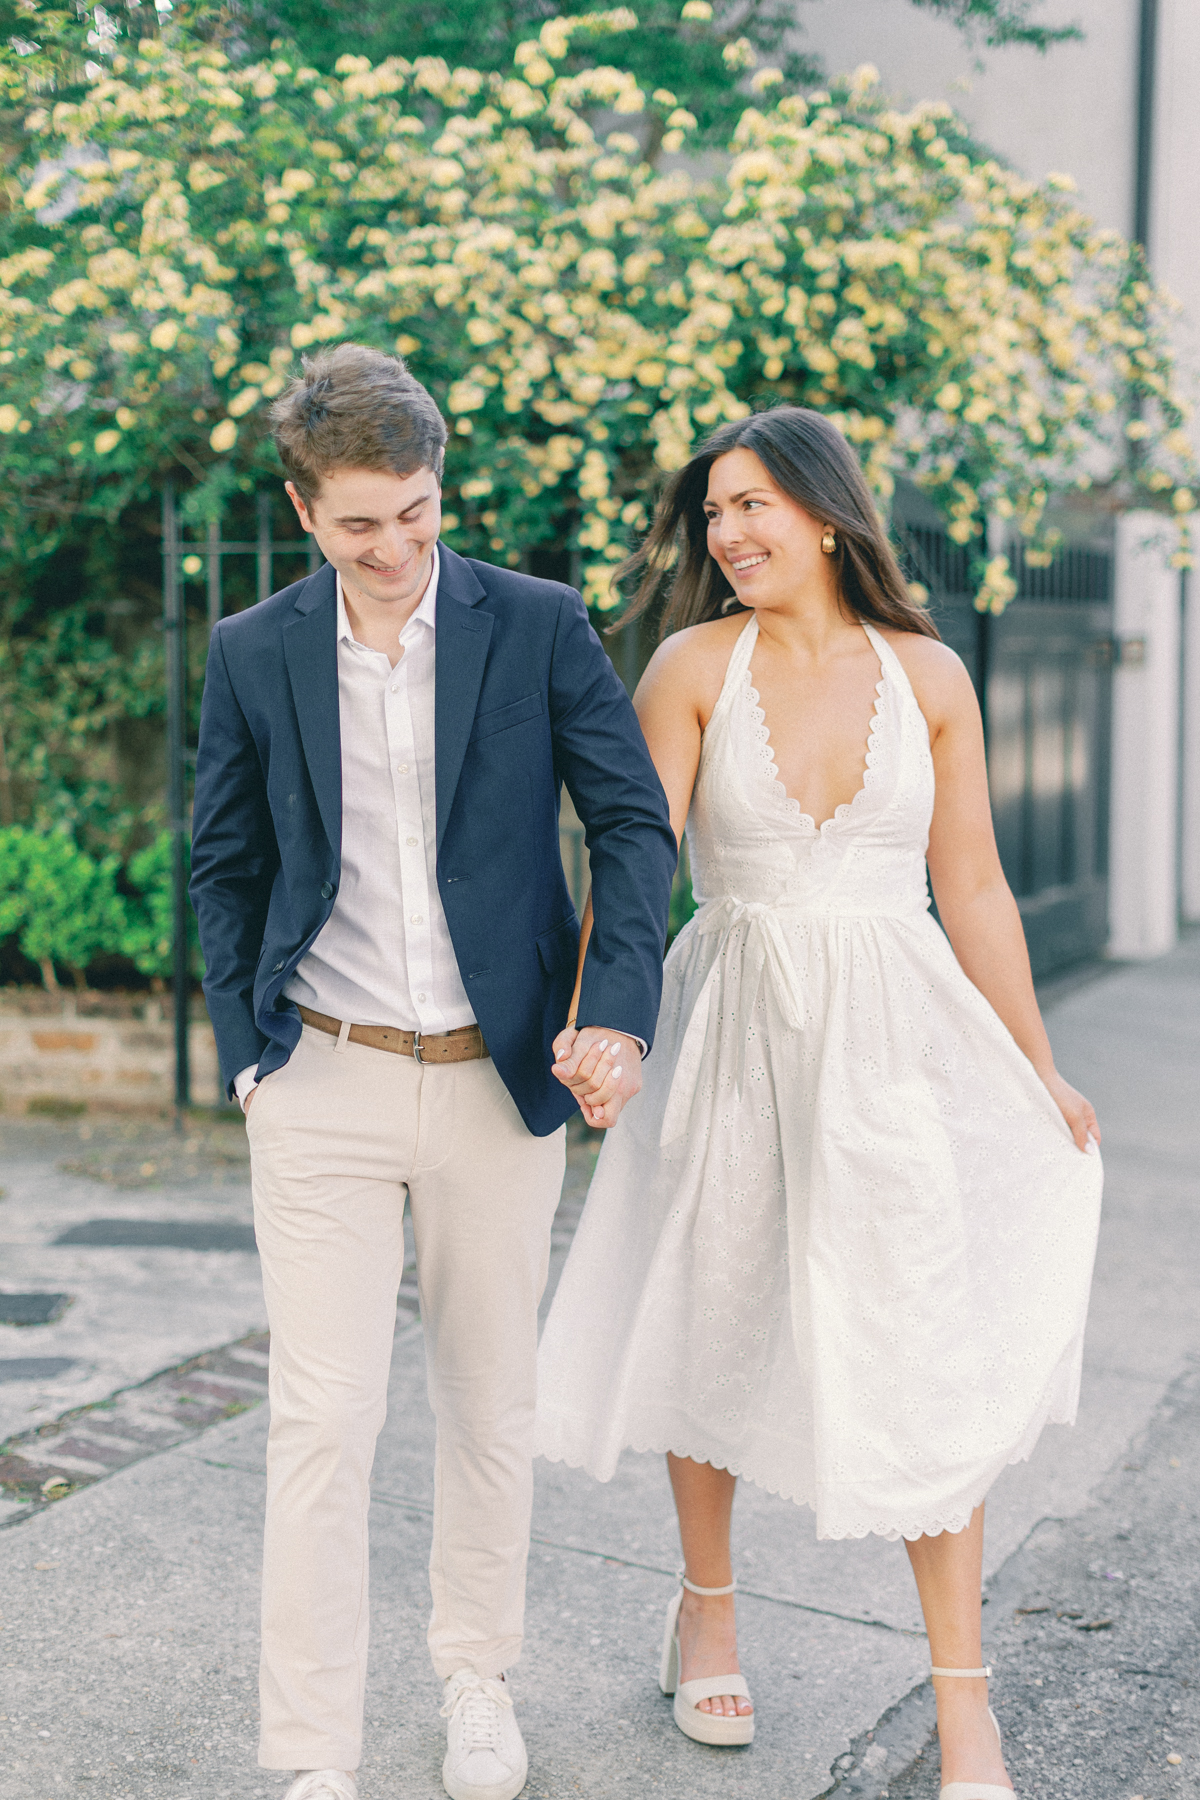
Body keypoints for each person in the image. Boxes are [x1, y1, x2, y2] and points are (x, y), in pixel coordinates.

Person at [536, 406, 1103, 1799]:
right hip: (731, 1017)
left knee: (923, 1338)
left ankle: (963, 1702)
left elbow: (969, 885)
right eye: (714, 512)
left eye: (753, 506)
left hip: (896, 1037)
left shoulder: (930, 674)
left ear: (831, 513)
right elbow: (637, 863)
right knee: (710, 1310)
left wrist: (1034, 1066)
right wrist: (607, 1026)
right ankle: (710, 1605)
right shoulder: (688, 666)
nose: (727, 533)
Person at [189, 342, 676, 1800]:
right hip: (322, 1076)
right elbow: (224, 862)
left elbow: (633, 825)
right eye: (358, 525)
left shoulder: (535, 625)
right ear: (303, 510)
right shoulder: (253, 649)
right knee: (323, 1417)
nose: (393, 547)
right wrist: (246, 1060)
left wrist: (621, 1011)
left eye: (412, 511)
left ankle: (478, 1675)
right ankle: (311, 1756)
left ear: (436, 483)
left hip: (495, 1079)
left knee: (488, 1398)